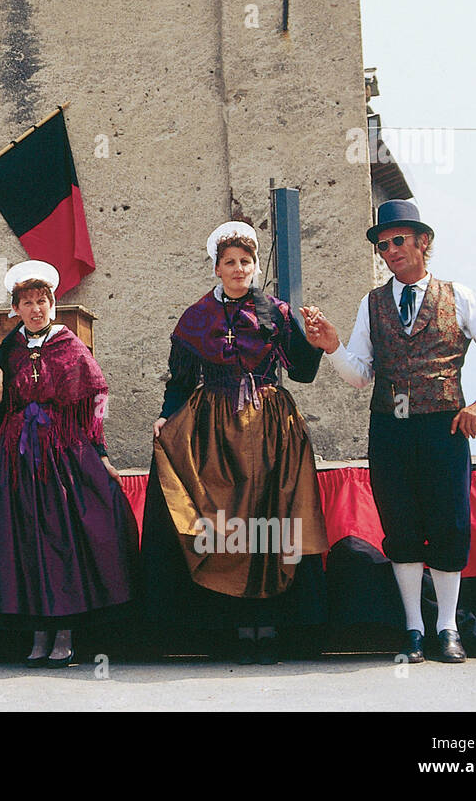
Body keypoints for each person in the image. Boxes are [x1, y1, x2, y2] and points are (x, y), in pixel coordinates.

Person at [302, 199, 476, 664]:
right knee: (399, 525)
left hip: (442, 428)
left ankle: (447, 628)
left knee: (449, 525)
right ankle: (414, 630)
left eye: (398, 240)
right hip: (390, 429)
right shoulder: (372, 302)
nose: (390, 251)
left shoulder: (459, 296)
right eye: (383, 245)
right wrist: (333, 347)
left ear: (424, 242)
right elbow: (361, 375)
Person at [142, 222, 328, 665]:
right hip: (215, 431)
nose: (239, 268)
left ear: (254, 264)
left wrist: (316, 343)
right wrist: (167, 416)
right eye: (230, 262)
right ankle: (235, 627)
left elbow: (301, 371)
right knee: (226, 523)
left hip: (271, 429)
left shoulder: (277, 313)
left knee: (270, 518)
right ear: (217, 268)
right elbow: (181, 379)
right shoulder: (196, 317)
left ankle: (271, 625)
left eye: (246, 261)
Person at [0, 261, 138, 667]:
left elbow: (94, 400)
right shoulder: (8, 350)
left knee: (60, 538)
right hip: (17, 458)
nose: (35, 309)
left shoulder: (70, 345)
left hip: (63, 454)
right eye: (26, 302)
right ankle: (38, 632)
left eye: (42, 301)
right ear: (16, 307)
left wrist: (100, 455)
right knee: (24, 540)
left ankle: (64, 631)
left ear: (53, 304)